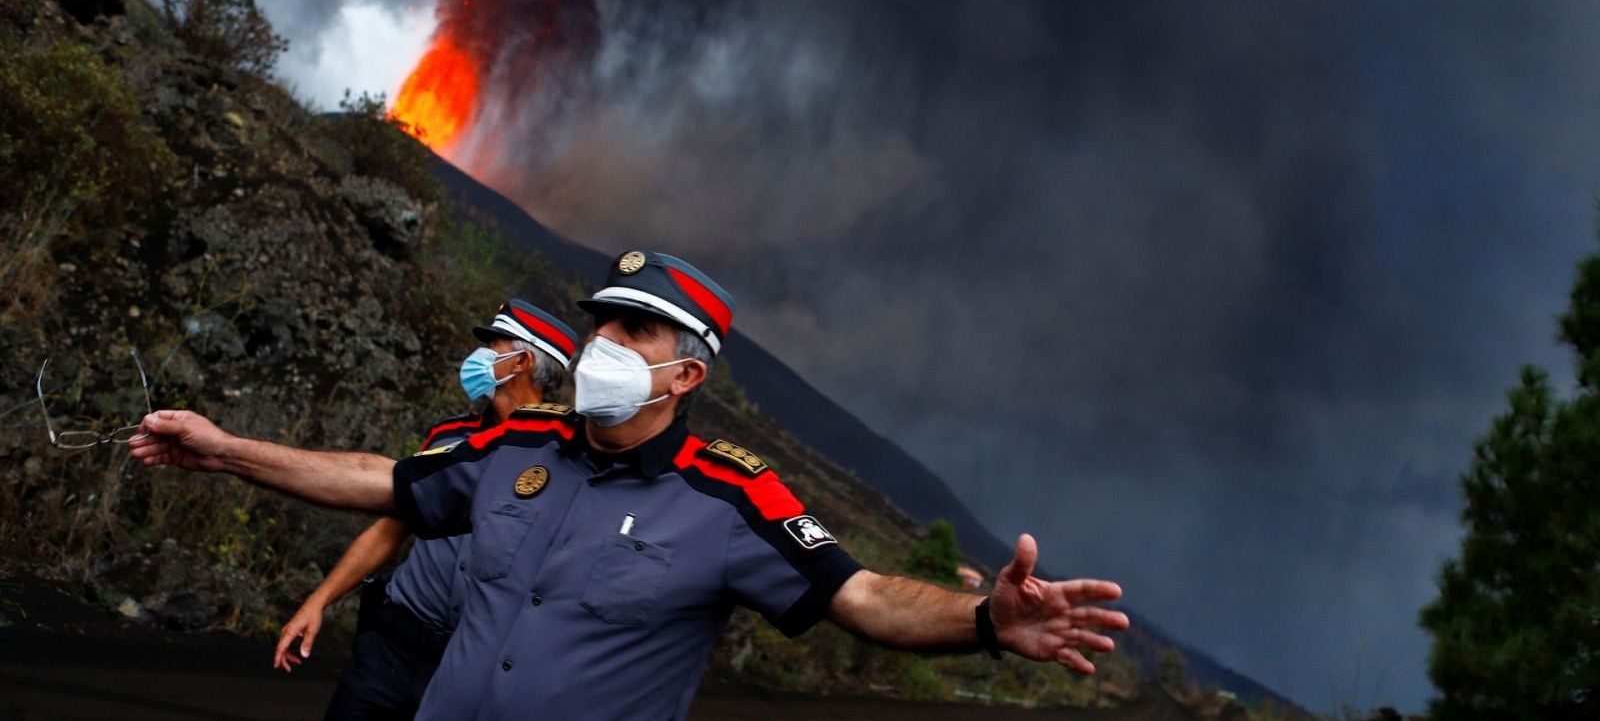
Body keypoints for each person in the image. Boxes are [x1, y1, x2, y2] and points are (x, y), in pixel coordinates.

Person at [130, 251, 1129, 720]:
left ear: (686, 374)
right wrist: (228, 450)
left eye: (633, 329)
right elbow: (386, 482)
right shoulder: (517, 444)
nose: (600, 341)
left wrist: (983, 622)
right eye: (600, 321)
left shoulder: (732, 495)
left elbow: (858, 595)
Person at [272, 300, 579, 720]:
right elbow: (391, 528)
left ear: (521, 362)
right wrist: (318, 601)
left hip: (467, 665)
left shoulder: (565, 460)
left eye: (493, 347)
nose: (479, 357)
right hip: (392, 646)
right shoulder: (448, 436)